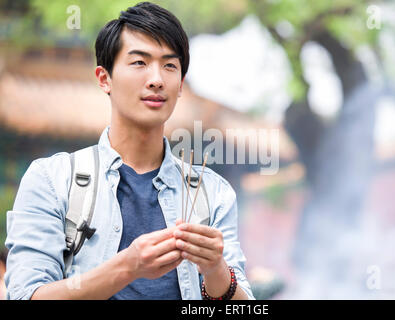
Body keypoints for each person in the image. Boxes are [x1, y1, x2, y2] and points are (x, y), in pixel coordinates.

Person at [4, 2, 253, 300]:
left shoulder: (213, 193)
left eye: (170, 65)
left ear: (181, 85)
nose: (157, 79)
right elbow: (25, 295)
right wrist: (128, 266)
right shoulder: (51, 180)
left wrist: (216, 269)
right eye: (139, 62)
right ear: (104, 78)